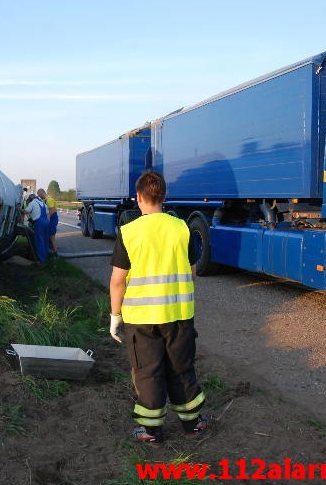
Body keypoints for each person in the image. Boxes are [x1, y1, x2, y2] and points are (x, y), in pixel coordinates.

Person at [108, 170, 208, 446]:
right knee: (181, 368)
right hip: (178, 317)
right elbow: (192, 272)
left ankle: (151, 432)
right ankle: (193, 424)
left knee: (148, 372)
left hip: (142, 321)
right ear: (163, 197)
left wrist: (115, 317)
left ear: (139, 197)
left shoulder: (128, 232)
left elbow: (118, 282)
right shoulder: (182, 228)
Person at [20, 194, 50, 263]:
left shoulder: (32, 203)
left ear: (30, 199)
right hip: (46, 222)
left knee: (40, 241)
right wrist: (48, 222)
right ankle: (45, 258)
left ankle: (41, 260)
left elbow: (26, 211)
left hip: (39, 223)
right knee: (45, 241)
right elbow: (48, 214)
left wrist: (19, 209)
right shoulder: (43, 203)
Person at [38, 189, 59, 254]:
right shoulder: (46, 200)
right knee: (50, 235)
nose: (39, 196)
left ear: (42, 193)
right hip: (52, 218)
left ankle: (55, 252)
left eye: (38, 194)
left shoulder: (49, 200)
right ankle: (53, 248)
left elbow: (52, 211)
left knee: (51, 236)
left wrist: (47, 219)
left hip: (52, 219)